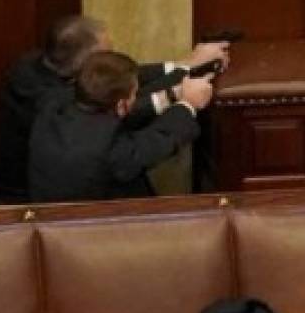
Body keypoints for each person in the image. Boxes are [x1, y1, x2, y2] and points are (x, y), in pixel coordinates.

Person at [0, 14, 230, 203]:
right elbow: (157, 139)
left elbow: (115, 83)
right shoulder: (102, 144)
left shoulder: (53, 99)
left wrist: (184, 68)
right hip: (51, 216)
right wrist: (186, 102)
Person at [27, 49, 212, 202]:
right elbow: (159, 139)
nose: (136, 98)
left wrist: (173, 93)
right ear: (121, 105)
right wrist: (188, 104)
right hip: (97, 230)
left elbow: (115, 107)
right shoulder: (109, 149)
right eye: (135, 94)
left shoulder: (52, 105)